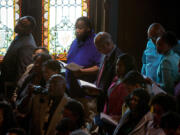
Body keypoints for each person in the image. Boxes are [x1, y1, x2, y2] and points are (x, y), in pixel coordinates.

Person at [65, 16, 102, 98]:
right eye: (76, 28)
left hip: (86, 90)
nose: (77, 31)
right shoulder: (75, 41)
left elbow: (100, 67)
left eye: (80, 28)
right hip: (71, 87)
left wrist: (82, 71)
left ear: (88, 29)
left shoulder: (96, 42)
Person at [0, 16, 37, 95]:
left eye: (22, 25)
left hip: (10, 86)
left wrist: (15, 92)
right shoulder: (20, 36)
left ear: (29, 30)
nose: (18, 26)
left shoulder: (28, 45)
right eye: (18, 22)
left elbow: (23, 71)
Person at [94, 32, 122, 112]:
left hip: (109, 98)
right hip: (100, 95)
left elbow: (115, 81)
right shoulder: (105, 54)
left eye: (99, 48)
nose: (99, 51)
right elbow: (101, 73)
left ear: (108, 43)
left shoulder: (118, 57)